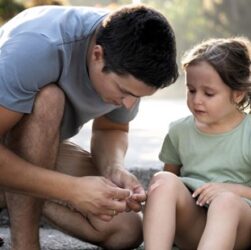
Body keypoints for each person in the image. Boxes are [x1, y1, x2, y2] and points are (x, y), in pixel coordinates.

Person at [0, 3, 178, 250]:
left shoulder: (126, 54)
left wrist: (113, 168)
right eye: (124, 91)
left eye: (138, 96)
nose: (128, 103)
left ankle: (10, 194)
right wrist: (70, 190)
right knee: (49, 100)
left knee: (126, 229)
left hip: (32, 147)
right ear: (97, 55)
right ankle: (26, 244)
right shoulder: (37, 49)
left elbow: (111, 129)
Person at [143, 37, 251, 250]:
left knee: (225, 202)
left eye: (208, 93)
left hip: (239, 227)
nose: (196, 100)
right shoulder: (179, 131)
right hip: (194, 227)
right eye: (191, 90)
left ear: (237, 94)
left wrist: (230, 190)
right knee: (162, 180)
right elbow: (171, 185)